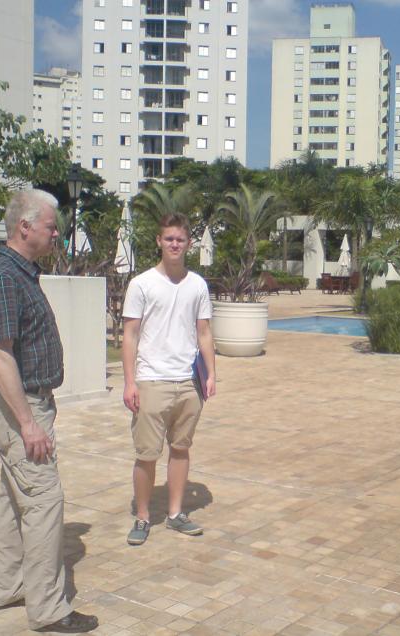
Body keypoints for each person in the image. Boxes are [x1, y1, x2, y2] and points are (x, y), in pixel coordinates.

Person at [0, 189, 98, 633]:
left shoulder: (20, 274)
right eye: (50, 226)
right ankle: (48, 610)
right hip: (20, 407)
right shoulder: (5, 279)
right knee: (45, 501)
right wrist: (28, 423)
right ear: (24, 227)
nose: (56, 233)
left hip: (29, 402)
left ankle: (7, 586)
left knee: (15, 498)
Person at [122, 212, 216, 546]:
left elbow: (204, 332)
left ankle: (175, 514)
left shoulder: (198, 285)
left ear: (189, 244)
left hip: (188, 382)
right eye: (169, 239)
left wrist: (211, 374)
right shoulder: (142, 284)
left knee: (181, 448)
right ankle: (143, 516)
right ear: (159, 241)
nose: (175, 244)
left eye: (180, 239)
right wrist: (130, 382)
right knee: (147, 454)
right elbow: (130, 335)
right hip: (151, 381)